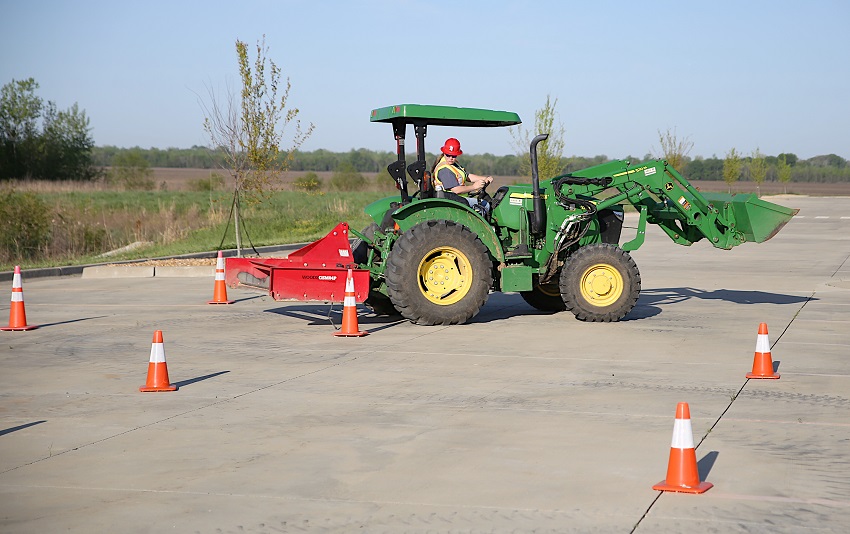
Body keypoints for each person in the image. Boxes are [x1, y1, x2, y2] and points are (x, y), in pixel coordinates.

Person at [432, 138, 493, 212]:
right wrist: (474, 186)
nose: (451, 158)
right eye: (448, 155)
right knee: (486, 205)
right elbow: (456, 190)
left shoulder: (453, 164)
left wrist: (485, 178)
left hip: (459, 198)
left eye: (454, 156)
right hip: (453, 200)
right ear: (444, 153)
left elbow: (466, 176)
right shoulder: (445, 170)